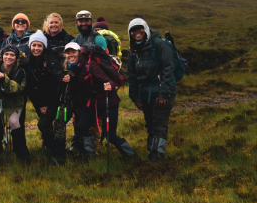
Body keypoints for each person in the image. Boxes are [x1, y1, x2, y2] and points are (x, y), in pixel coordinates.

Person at [63, 42, 137, 161]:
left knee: (110, 135)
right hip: (91, 102)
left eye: (73, 52)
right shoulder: (70, 68)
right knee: (81, 128)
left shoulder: (90, 65)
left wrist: (109, 86)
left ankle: (132, 156)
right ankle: (89, 155)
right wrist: (68, 81)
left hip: (108, 101)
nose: (70, 55)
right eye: (67, 53)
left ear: (79, 53)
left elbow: (108, 81)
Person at [126, 18, 177, 160]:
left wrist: (164, 94)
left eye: (139, 29)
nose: (137, 32)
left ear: (146, 29)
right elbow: (132, 76)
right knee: (150, 124)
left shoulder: (159, 44)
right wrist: (134, 97)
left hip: (163, 92)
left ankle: (157, 155)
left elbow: (169, 68)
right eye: (133, 30)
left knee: (159, 124)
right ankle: (152, 151)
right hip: (145, 94)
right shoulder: (133, 51)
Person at [0, 46, 30, 163]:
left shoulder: (20, 71)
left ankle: (22, 153)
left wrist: (4, 78)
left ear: (16, 57)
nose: (8, 57)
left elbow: (17, 88)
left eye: (12, 55)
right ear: (2, 55)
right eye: (6, 54)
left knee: (14, 122)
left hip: (14, 101)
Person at [23, 31, 65, 163]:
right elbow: (31, 86)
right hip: (39, 99)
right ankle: (50, 147)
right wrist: (40, 104)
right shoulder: (29, 61)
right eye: (34, 45)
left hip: (54, 98)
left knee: (43, 124)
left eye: (39, 45)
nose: (36, 48)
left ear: (44, 47)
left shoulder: (50, 58)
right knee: (46, 124)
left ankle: (57, 151)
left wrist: (45, 104)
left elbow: (54, 78)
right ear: (30, 46)